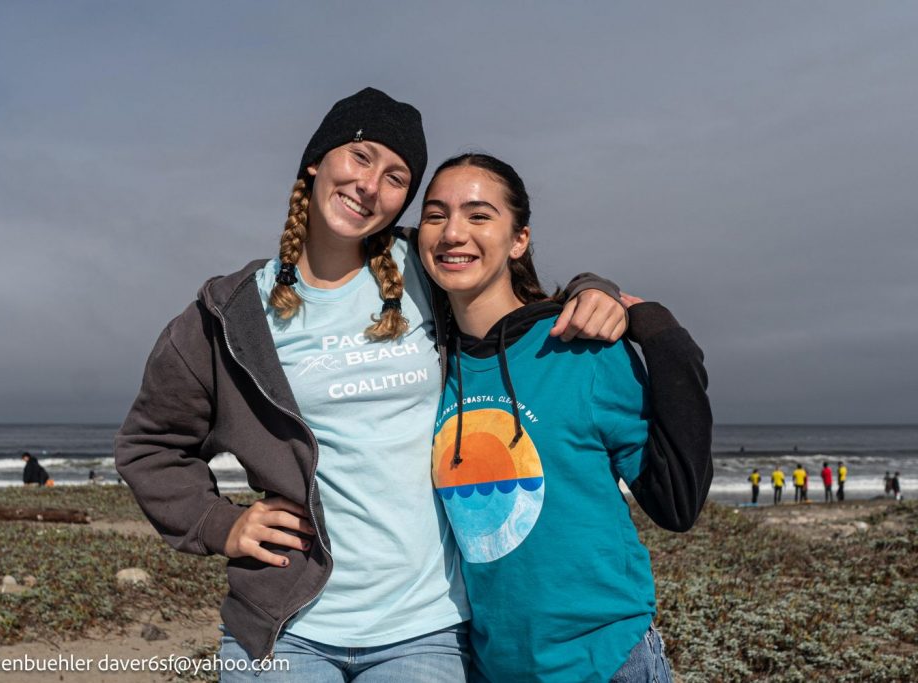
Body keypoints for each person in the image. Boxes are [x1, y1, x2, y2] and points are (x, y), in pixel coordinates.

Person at [115, 88, 630, 681]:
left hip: (427, 625)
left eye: (396, 177)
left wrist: (596, 288)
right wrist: (220, 524)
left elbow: (509, 292)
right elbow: (150, 444)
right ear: (316, 161)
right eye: (360, 157)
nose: (369, 185)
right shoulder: (230, 313)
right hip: (287, 626)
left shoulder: (428, 268)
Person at [418, 153, 712, 682]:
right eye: (436, 215)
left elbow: (677, 500)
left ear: (519, 240)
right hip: (492, 666)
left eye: (479, 215)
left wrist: (659, 330)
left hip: (607, 661)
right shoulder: (425, 367)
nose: (453, 232)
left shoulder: (579, 346)